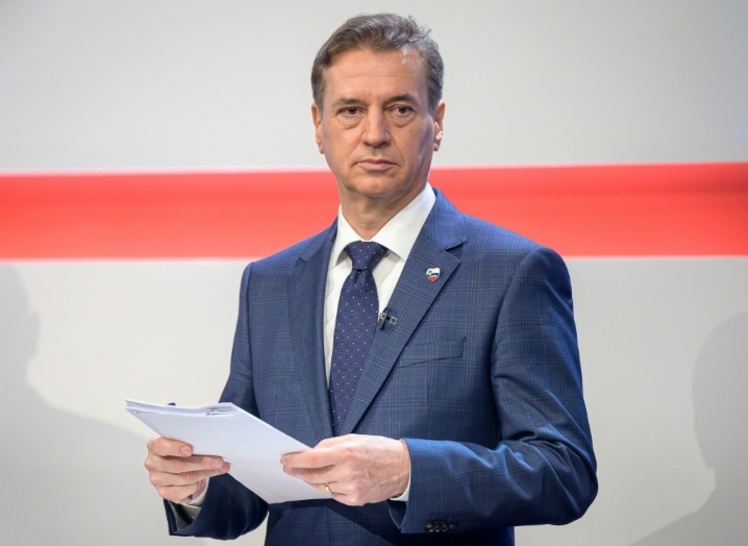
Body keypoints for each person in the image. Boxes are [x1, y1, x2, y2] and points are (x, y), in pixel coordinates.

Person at [144, 13, 597, 545]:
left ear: (437, 122)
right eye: (351, 110)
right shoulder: (268, 283)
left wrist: (409, 472)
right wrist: (194, 487)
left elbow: (563, 471)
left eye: (400, 109)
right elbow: (245, 492)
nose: (375, 134)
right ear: (319, 126)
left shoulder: (512, 271)